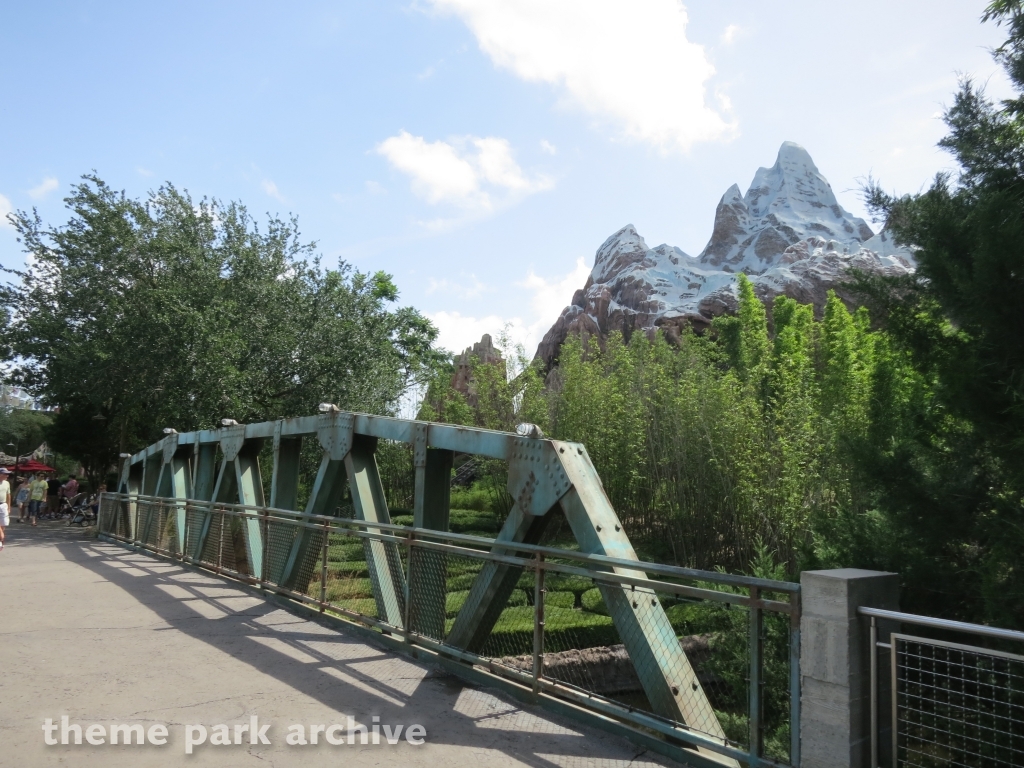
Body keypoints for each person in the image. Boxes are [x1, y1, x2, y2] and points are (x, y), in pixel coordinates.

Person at [0, 467, 10, 550]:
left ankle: (1, 540)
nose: (7, 475)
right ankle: (0, 540)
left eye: (7, 474)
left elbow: (8, 495)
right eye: (5, 474)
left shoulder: (7, 483)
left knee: (3, 525)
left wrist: (9, 507)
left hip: (3, 505)